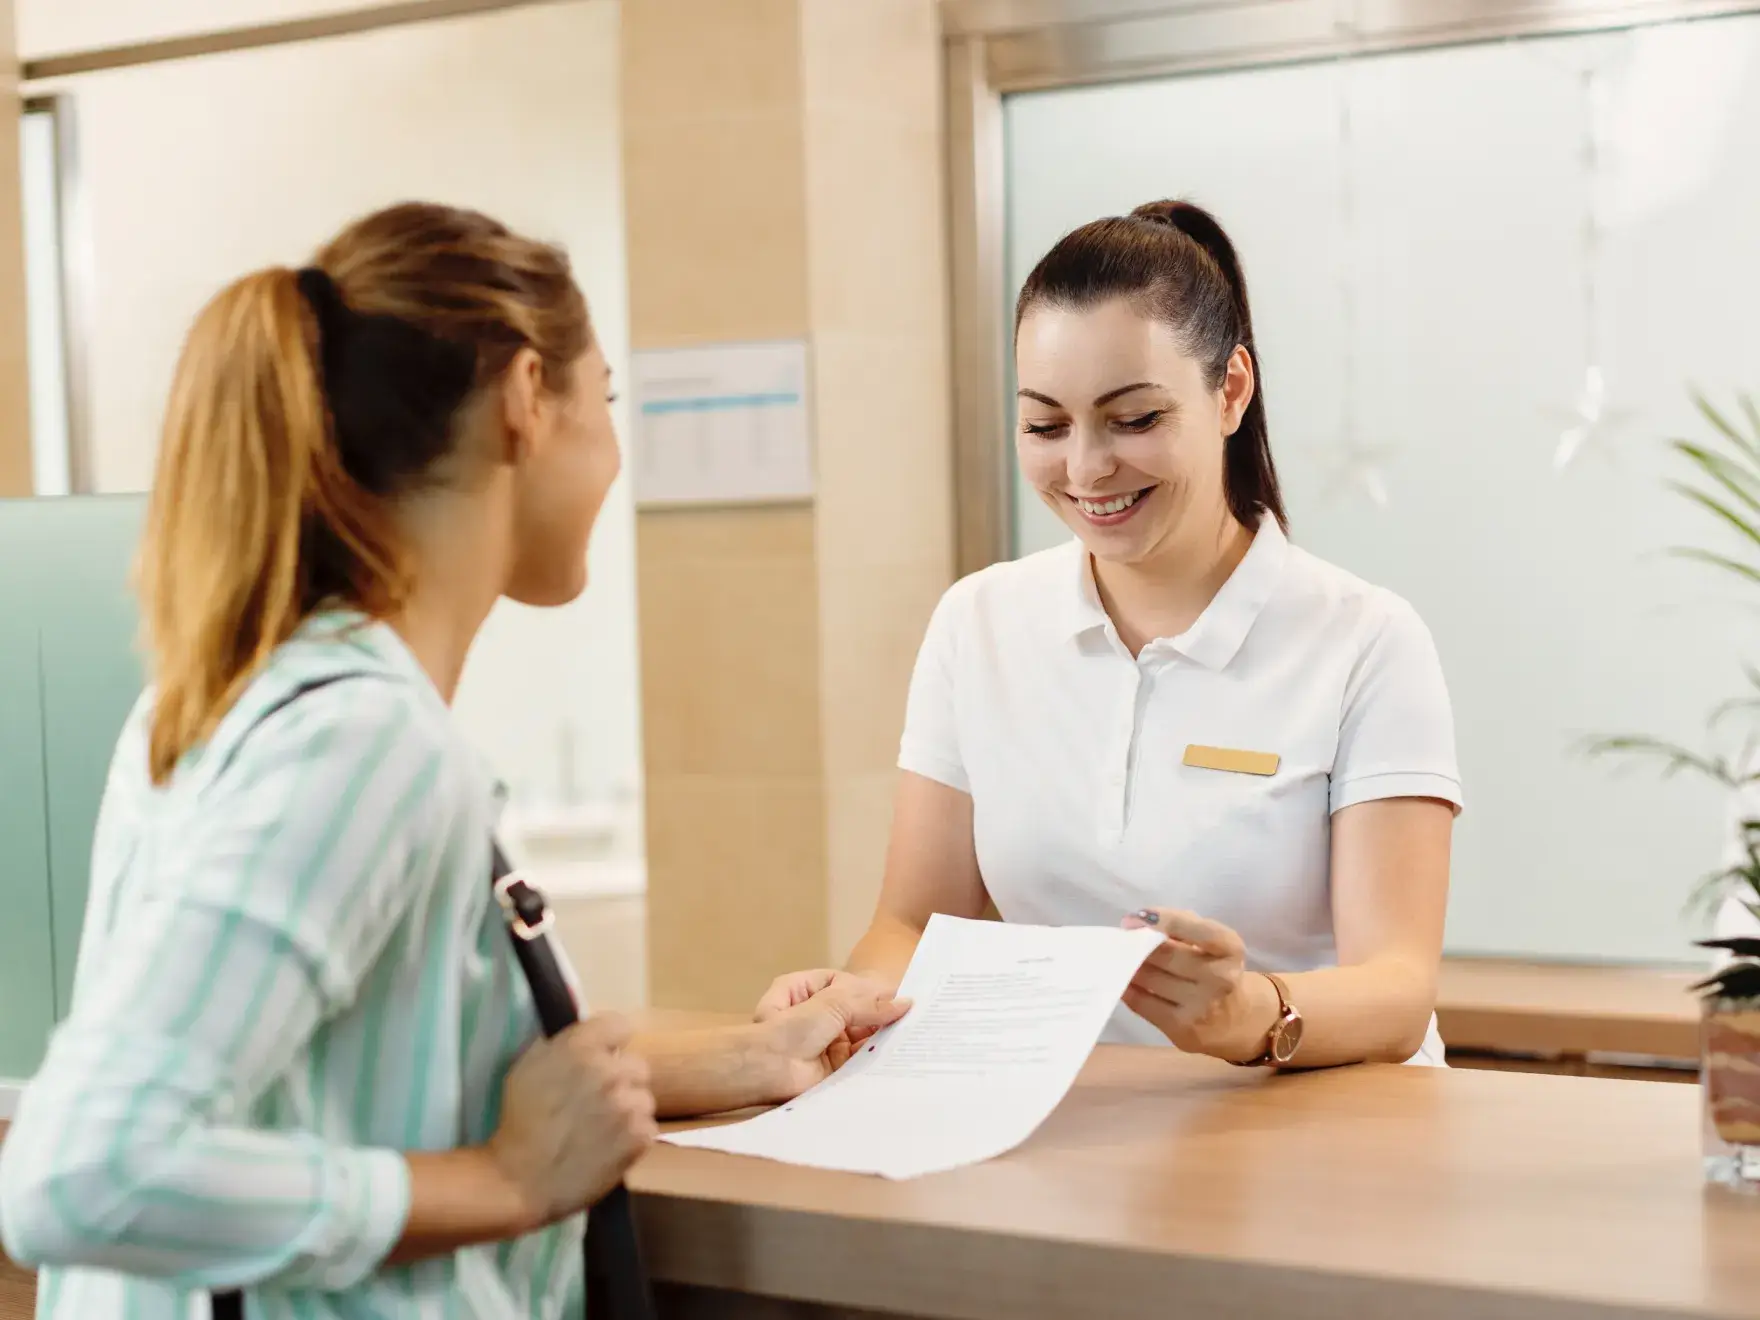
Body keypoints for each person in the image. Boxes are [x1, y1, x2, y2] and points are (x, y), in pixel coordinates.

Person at [0, 202, 906, 1318]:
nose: (614, 454)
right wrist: (503, 1180)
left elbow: (363, 1074)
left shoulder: (230, 698)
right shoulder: (361, 744)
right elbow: (85, 1174)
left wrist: (748, 1058)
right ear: (529, 397)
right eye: (605, 401)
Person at [759, 201, 1460, 1069]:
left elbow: (1396, 988)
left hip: (1324, 1133)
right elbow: (912, 925)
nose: (1087, 469)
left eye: (1134, 420)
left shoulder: (1365, 641)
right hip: (1073, 1131)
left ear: (1230, 390)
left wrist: (1254, 1014)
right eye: (1046, 426)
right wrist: (848, 1003)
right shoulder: (977, 624)